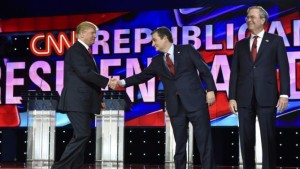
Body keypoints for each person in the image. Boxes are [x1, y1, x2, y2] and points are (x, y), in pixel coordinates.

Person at [111, 27, 216, 169]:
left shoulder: (187, 50)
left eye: (155, 40)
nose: (153, 44)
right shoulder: (157, 61)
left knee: (204, 142)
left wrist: (210, 90)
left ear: (165, 38)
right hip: (175, 107)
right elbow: (142, 76)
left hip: (196, 103)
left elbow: (204, 70)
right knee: (179, 145)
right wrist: (121, 82)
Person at [228, 6, 290, 169]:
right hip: (244, 97)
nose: (248, 19)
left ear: (263, 20)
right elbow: (234, 72)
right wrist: (232, 97)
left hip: (267, 96)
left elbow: (284, 68)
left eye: (252, 17)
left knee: (268, 138)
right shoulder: (240, 45)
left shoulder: (276, 41)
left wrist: (284, 94)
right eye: (247, 17)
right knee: (246, 139)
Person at [52, 21, 115, 169]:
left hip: (84, 101)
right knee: (82, 134)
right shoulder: (76, 50)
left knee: (81, 136)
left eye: (95, 33)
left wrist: (98, 100)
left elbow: (87, 79)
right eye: (92, 33)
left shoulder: (84, 51)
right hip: (76, 101)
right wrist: (108, 82)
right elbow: (85, 73)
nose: (95, 36)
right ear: (80, 34)